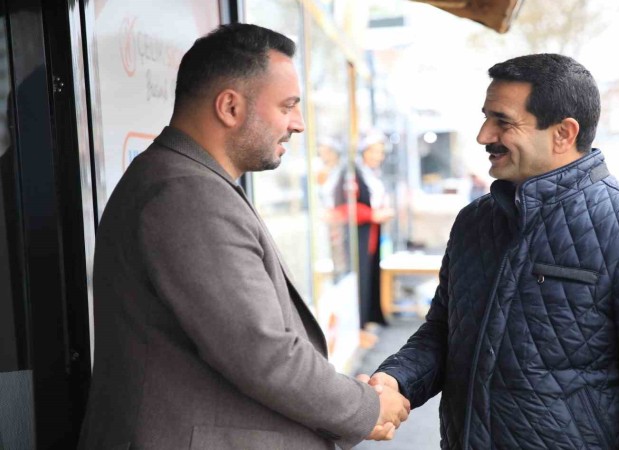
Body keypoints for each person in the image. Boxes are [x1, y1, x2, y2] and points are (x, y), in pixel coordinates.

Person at [77, 23, 409, 450]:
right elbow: (264, 353)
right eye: (287, 106)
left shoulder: (184, 181)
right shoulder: (187, 194)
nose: (298, 124)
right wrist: (366, 407)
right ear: (230, 107)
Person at [362, 54, 619, 449]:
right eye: (486, 118)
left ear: (563, 133)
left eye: (503, 121)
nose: (483, 135)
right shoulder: (475, 221)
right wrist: (395, 379)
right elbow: (443, 333)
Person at [333, 131, 394, 342]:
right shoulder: (352, 173)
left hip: (371, 232)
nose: (378, 156)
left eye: (380, 152)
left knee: (369, 272)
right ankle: (357, 327)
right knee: (359, 276)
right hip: (356, 234)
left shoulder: (370, 173)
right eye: (373, 151)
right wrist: (372, 215)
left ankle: (367, 319)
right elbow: (343, 206)